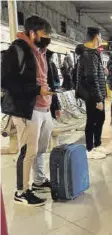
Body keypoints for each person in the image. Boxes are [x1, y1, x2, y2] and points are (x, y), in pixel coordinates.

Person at [1, 16, 57, 206]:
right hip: (26, 108)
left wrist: (53, 104)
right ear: (32, 33)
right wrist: (36, 91)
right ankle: (21, 191)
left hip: (44, 106)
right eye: (44, 34)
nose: (47, 38)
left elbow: (45, 78)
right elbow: (6, 81)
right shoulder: (16, 50)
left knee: (41, 148)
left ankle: (39, 181)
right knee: (28, 151)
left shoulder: (42, 51)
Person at [76, 27, 110, 159]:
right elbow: (91, 78)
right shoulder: (89, 54)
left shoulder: (93, 53)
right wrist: (98, 99)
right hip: (91, 95)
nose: (101, 39)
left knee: (99, 119)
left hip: (94, 94)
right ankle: (90, 149)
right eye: (101, 36)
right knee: (92, 120)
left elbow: (94, 74)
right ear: (96, 37)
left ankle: (97, 144)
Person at [46, 50, 62, 119]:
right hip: (51, 85)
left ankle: (53, 116)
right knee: (53, 99)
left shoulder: (47, 63)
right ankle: (54, 115)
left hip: (48, 86)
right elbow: (55, 75)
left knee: (51, 100)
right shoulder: (51, 63)